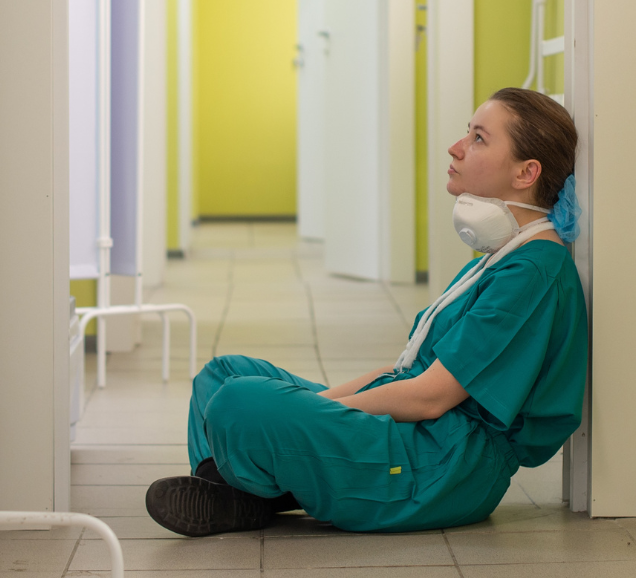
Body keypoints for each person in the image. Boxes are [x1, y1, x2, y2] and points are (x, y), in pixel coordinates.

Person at [144, 87, 588, 535]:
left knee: (238, 404)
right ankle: (250, 495)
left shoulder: (532, 272)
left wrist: (316, 418)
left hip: (441, 468)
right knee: (221, 376)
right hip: (420, 439)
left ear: (526, 172)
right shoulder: (503, 256)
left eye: (478, 138)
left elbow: (429, 396)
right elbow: (406, 371)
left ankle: (242, 492)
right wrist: (310, 413)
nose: (456, 147)